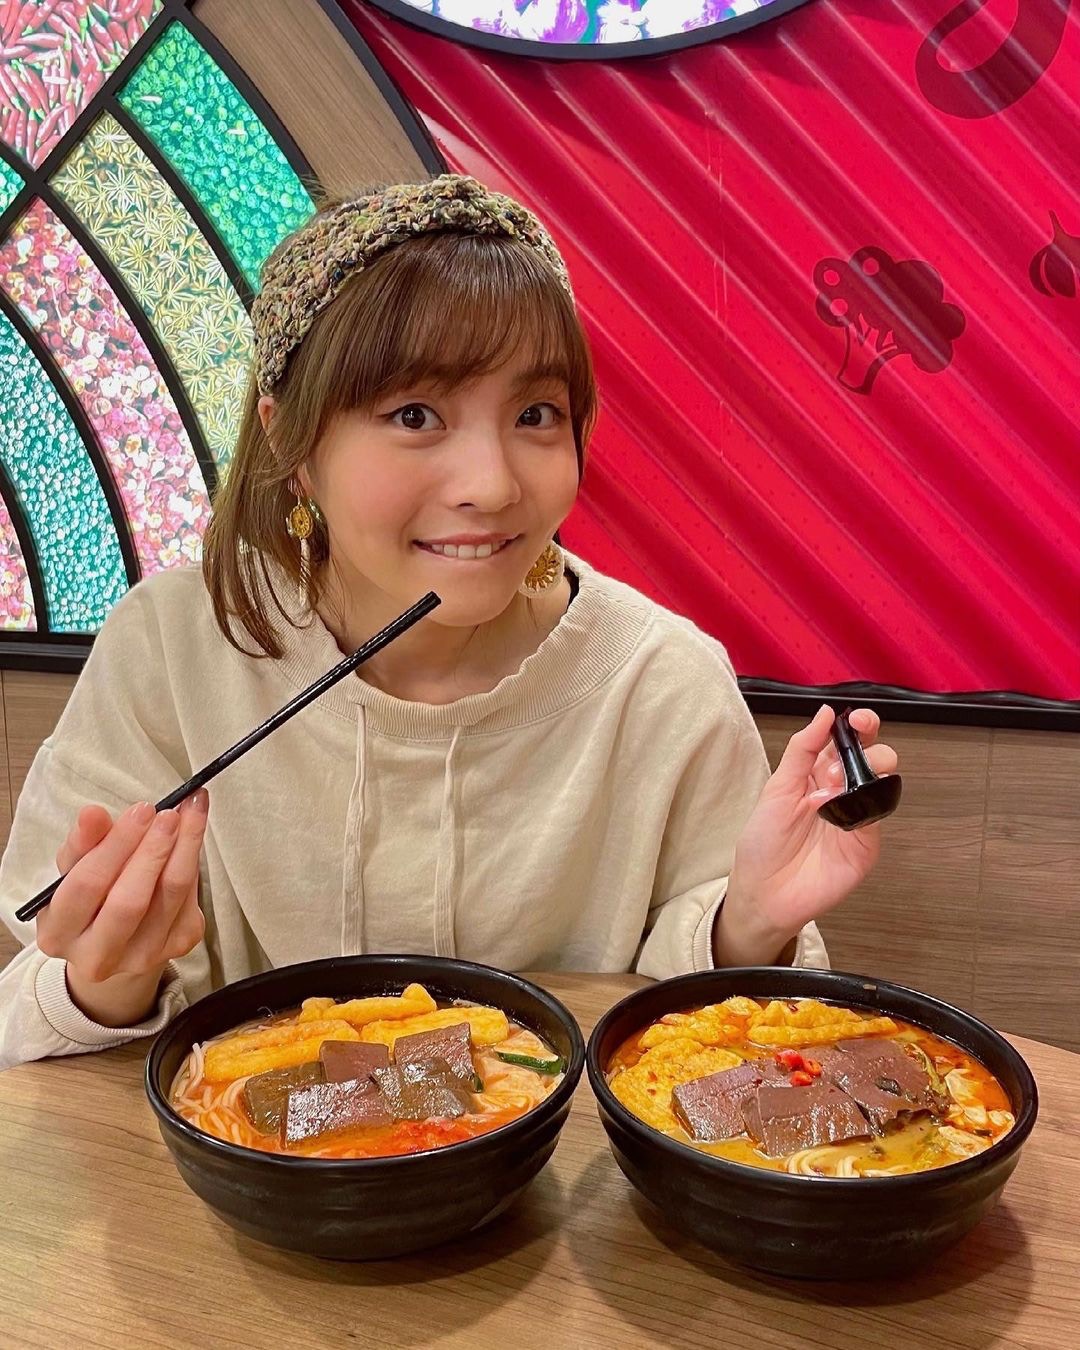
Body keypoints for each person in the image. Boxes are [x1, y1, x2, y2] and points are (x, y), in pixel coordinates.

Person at [0, 176, 897, 1071]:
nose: (493, 485)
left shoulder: (661, 681)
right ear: (289, 441)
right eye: (415, 415)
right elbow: (36, 1001)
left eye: (535, 415)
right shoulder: (173, 646)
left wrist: (748, 923)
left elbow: (717, 1055)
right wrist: (110, 978)